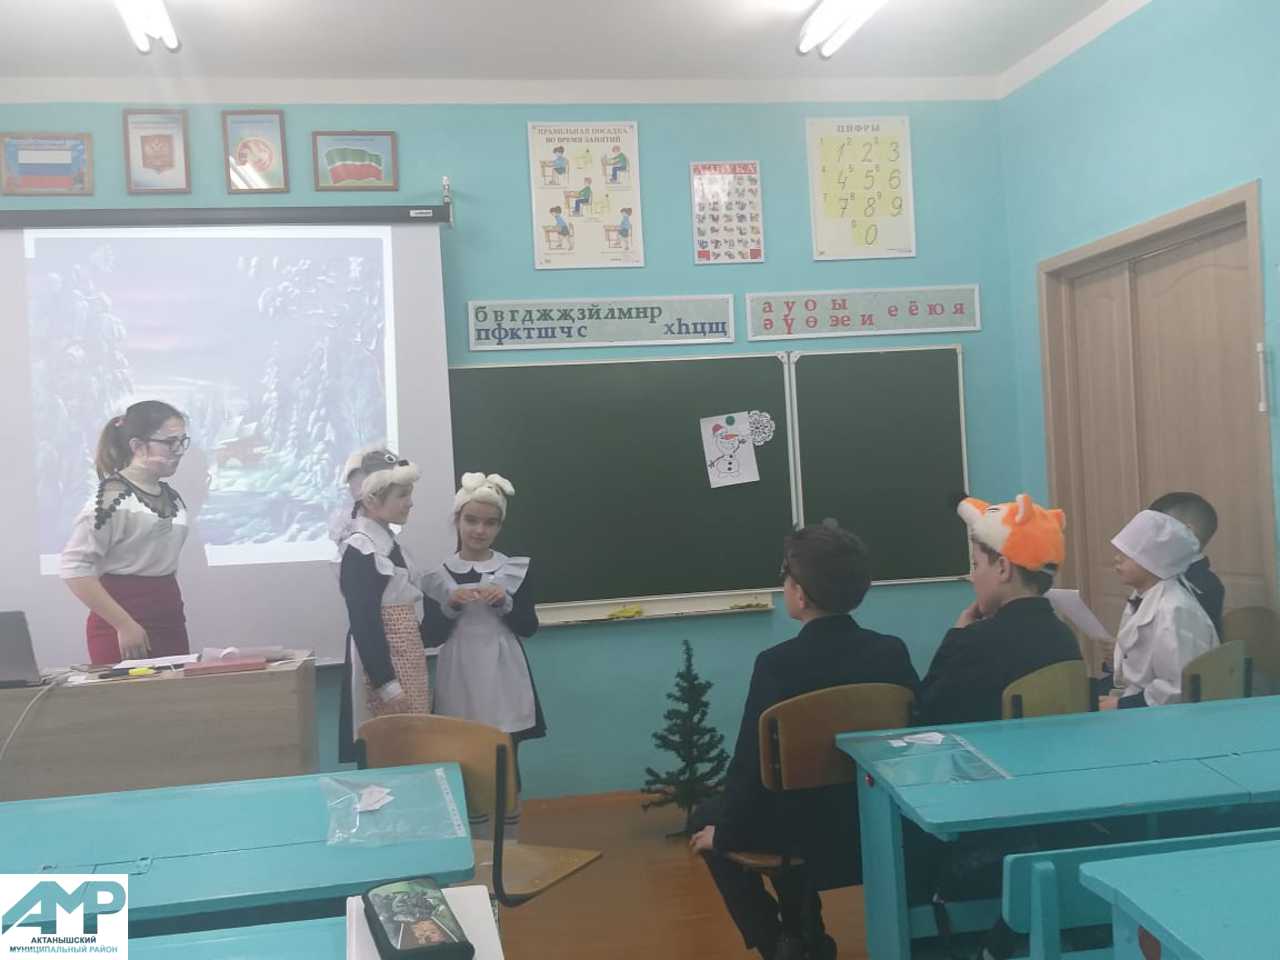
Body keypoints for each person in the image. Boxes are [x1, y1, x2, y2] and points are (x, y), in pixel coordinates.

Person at [688, 522, 919, 960]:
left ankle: (783, 940)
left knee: (707, 819)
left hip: (795, 837)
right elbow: (917, 737)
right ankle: (800, 933)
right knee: (787, 806)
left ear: (800, 594)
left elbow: (750, 768)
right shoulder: (891, 652)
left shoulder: (777, 665)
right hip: (873, 823)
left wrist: (726, 835)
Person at [423, 472, 544, 842]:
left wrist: (506, 603)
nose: (479, 530)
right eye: (471, 520)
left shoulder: (513, 570)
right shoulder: (439, 575)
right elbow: (430, 636)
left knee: (506, 757)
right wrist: (449, 606)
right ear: (457, 520)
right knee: (465, 760)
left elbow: (529, 626)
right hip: (459, 673)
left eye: (490, 523)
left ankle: (510, 846)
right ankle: (477, 847)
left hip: (503, 672)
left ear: (500, 526)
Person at [917, 494, 1081, 725]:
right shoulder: (1065, 636)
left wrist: (956, 636)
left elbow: (927, 715)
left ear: (1003, 568)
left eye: (976, 564)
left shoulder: (973, 642)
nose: (973, 578)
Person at [62, 401, 193, 664]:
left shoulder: (172, 497)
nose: (179, 451)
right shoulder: (111, 498)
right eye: (170, 443)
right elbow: (74, 568)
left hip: (169, 618)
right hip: (123, 624)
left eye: (182, 442)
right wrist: (123, 624)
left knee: (176, 691)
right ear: (137, 446)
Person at [337, 446, 430, 764]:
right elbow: (365, 624)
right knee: (386, 752)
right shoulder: (361, 549)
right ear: (373, 499)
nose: (410, 502)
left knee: (412, 749)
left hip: (406, 656)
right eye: (402, 495)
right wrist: (387, 685)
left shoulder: (388, 543)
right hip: (382, 668)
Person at [1104, 509, 1219, 708]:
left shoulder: (1174, 609)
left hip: (1164, 712)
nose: (1117, 559)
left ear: (1154, 561)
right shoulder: (1143, 595)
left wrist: (1120, 706)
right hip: (1139, 695)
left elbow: (1177, 688)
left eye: (1127, 554)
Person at [1149, 491, 1224, 635]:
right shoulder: (1169, 574)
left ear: (1187, 533)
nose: (1151, 537)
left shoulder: (1200, 584)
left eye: (1159, 528)